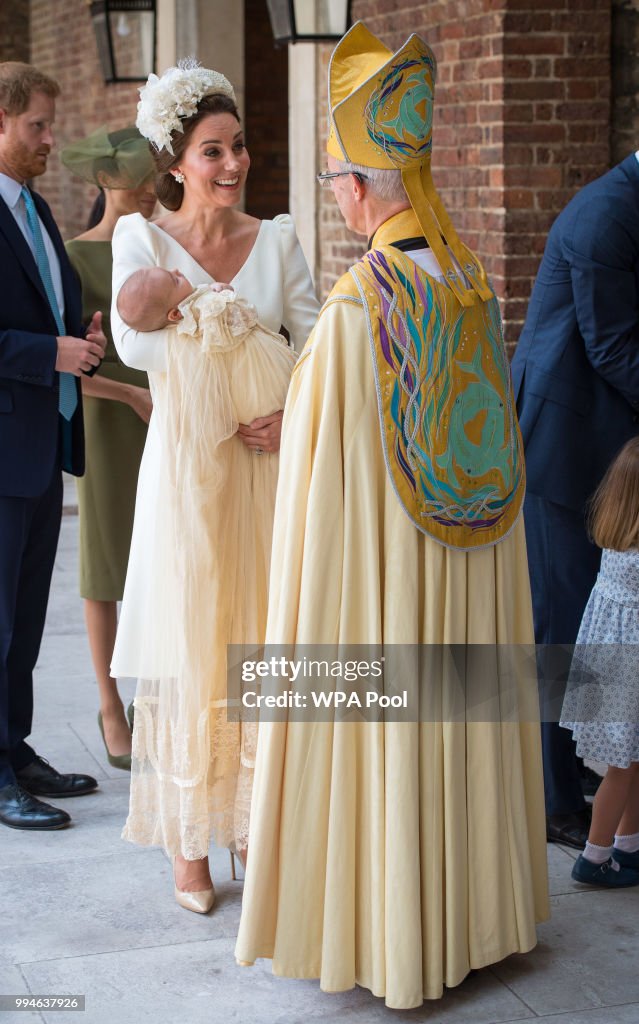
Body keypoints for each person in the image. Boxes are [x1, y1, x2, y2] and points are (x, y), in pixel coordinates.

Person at [234, 23, 549, 1009]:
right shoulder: (467, 285)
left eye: (334, 183)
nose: (335, 199)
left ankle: (396, 932)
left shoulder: (356, 314)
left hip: (382, 590)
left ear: (361, 188)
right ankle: (474, 922)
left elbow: (317, 514)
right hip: (465, 577)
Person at [110, 60, 320, 912]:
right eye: (212, 151)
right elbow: (135, 346)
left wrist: (296, 413)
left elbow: (313, 345)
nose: (232, 165)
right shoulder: (141, 241)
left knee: (264, 635)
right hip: (190, 471)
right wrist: (186, 313)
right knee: (196, 642)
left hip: (266, 466)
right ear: (174, 162)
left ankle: (252, 826)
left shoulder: (277, 239)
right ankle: (190, 846)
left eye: (239, 147)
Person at [511, 149, 639, 850]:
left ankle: (591, 775)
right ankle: (552, 794)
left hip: (608, 444)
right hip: (562, 445)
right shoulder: (605, 215)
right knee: (561, 622)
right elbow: (613, 346)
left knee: (604, 617)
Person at [0, 62, 107, 831]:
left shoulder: (35, 209)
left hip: (39, 448)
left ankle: (16, 747)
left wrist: (83, 337)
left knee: (26, 618)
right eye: (37, 125)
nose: (49, 139)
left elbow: (48, 309)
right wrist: (50, 356)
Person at [60, 126, 156, 772]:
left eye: (153, 175)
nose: (147, 189)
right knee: (104, 566)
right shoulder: (74, 257)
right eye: (134, 176)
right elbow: (69, 363)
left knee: (158, 559)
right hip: (107, 419)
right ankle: (109, 703)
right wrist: (128, 398)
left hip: (165, 414)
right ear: (104, 180)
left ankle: (154, 699)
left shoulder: (162, 247)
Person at [560, 438, 639, 887]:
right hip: (627, 674)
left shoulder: (618, 543)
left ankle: (629, 845)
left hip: (615, 668)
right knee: (621, 768)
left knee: (631, 763)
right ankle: (593, 858)